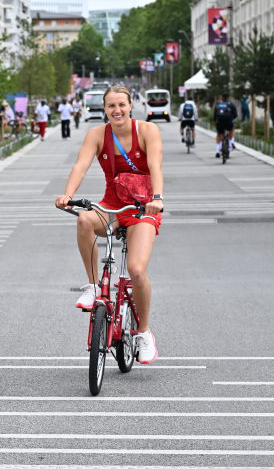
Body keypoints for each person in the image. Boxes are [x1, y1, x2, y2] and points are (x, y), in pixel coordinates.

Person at [55, 85, 164, 364]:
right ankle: (93, 286)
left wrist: (158, 198)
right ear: (104, 109)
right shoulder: (97, 134)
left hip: (142, 208)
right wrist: (67, 194)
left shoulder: (148, 131)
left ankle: (143, 333)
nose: (117, 110)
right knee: (83, 219)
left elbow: (156, 166)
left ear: (131, 106)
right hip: (113, 206)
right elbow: (81, 165)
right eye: (111, 106)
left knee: (137, 270)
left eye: (121, 105)